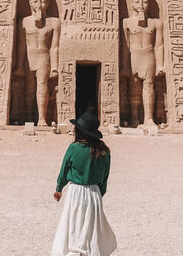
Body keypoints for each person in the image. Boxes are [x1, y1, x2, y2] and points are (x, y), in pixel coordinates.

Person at [52, 104, 117, 256]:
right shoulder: (104, 151)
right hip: (94, 193)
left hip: (76, 191)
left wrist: (58, 189)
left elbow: (64, 171)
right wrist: (98, 193)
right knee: (90, 229)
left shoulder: (74, 148)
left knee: (74, 224)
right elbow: (104, 178)